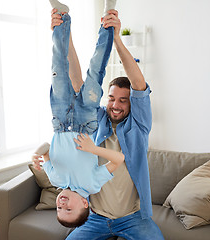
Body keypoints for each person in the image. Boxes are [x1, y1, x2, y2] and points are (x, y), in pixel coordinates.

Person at [50, 8, 165, 240]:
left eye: (123, 100)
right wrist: (65, 33)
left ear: (132, 104)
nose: (115, 105)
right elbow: (76, 80)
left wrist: (116, 39)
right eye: (111, 98)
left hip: (132, 218)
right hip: (95, 217)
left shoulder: (139, 125)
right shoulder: (98, 119)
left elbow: (139, 83)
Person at [32, 0, 125, 228]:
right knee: (96, 70)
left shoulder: (54, 178)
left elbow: (47, 149)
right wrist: (93, 149)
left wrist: (37, 153)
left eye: (59, 208)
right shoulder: (93, 184)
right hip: (86, 121)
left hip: (60, 121)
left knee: (58, 69)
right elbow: (119, 159)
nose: (61, 203)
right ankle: (108, 19)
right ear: (85, 203)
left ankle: (62, 17)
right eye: (68, 208)